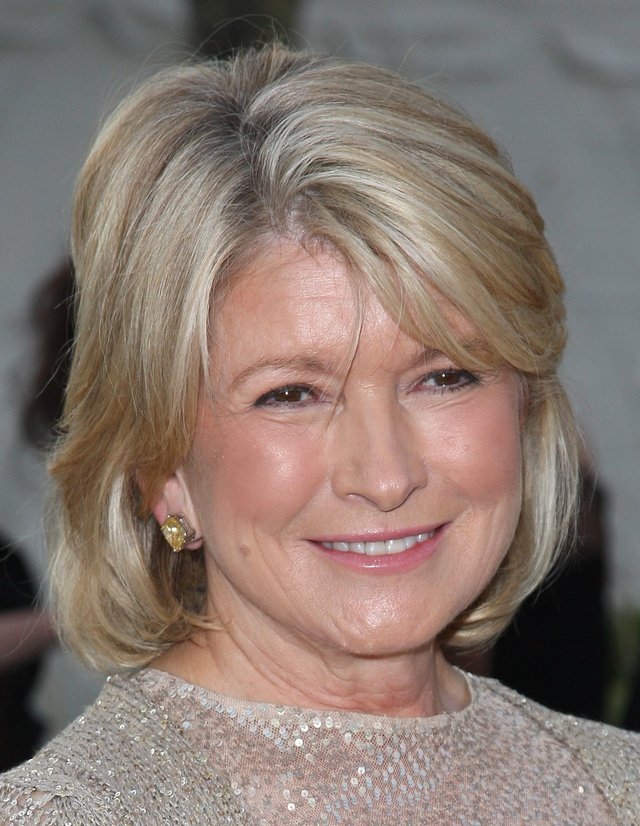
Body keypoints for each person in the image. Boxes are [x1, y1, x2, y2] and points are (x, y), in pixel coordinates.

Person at [1, 43, 638, 824]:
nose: (385, 472)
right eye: (292, 394)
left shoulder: (617, 788)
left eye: (445, 377)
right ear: (159, 462)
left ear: (527, 407)